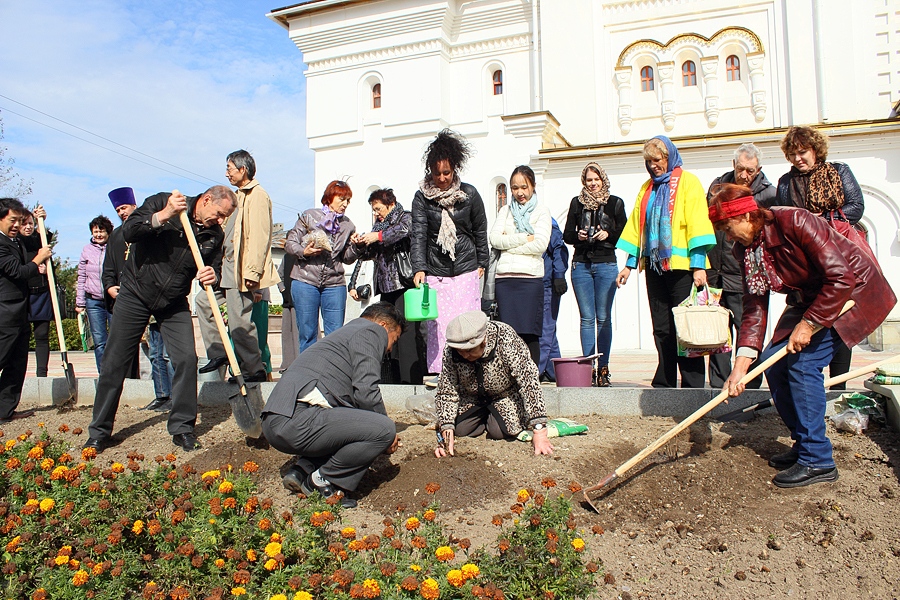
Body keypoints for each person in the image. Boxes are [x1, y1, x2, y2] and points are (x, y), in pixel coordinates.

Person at [713, 184, 896, 487]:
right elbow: (755, 307)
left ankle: (818, 460)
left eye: (728, 228)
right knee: (773, 361)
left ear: (747, 215)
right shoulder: (744, 250)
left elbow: (841, 276)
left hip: (852, 293)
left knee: (803, 365)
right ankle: (804, 445)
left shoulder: (794, 221)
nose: (727, 236)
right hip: (810, 299)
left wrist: (809, 324)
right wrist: (741, 367)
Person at [83, 186, 237, 453]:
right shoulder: (163, 202)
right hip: (136, 293)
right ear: (206, 200)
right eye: (219, 213)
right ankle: (99, 431)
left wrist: (213, 274)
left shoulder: (214, 234)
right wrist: (164, 214)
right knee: (114, 362)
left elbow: (216, 266)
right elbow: (129, 231)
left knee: (186, 360)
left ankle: (182, 428)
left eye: (225, 217)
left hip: (174, 301)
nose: (220, 220)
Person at [261, 301, 404, 508]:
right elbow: (366, 390)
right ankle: (324, 480)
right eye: (394, 339)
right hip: (297, 421)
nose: (389, 349)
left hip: (277, 419)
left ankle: (303, 469)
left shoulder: (344, 334)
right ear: (383, 326)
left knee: (352, 419)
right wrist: (387, 434)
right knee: (383, 428)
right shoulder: (372, 331)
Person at [616, 136, 715, 388]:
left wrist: (698, 264)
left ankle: (692, 384)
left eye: (657, 160)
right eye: (648, 161)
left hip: (682, 268)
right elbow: (638, 227)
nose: (652, 166)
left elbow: (697, 223)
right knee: (661, 327)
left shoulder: (688, 182)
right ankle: (665, 382)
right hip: (653, 267)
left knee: (685, 326)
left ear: (669, 157)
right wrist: (629, 264)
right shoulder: (646, 188)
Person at [772, 126, 865, 390]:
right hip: (806, 261)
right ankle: (809, 382)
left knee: (842, 319)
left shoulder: (839, 171)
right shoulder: (785, 182)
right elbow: (783, 219)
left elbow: (855, 207)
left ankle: (838, 387)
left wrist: (816, 225)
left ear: (815, 150)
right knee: (812, 313)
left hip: (841, 252)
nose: (798, 159)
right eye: (792, 154)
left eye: (802, 152)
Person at [410, 129, 489, 381]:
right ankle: (440, 371)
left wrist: (483, 262)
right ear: (429, 172)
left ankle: (470, 369)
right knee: (439, 326)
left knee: (468, 322)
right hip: (436, 270)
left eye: (447, 173)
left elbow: (480, 229)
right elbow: (419, 234)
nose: (442, 178)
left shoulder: (470, 194)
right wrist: (419, 267)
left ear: (455, 169)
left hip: (466, 266)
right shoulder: (421, 198)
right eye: (437, 174)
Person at [197, 150, 279, 383]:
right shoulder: (237, 196)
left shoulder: (258, 196)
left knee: (239, 321)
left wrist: (253, 272)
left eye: (230, 169)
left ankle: (254, 369)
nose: (226, 174)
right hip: (227, 269)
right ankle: (219, 354)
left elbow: (261, 235)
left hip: (242, 270)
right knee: (203, 301)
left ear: (243, 170)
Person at [433, 310, 553, 457]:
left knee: (499, 431)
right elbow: (446, 390)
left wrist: (539, 431)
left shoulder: (506, 337)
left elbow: (529, 381)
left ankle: (495, 418)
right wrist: (444, 434)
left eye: (470, 350)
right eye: (461, 352)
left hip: (505, 395)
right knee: (459, 430)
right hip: (472, 397)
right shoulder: (451, 349)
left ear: (483, 340)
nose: (465, 355)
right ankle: (482, 418)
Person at [705, 143, 776, 389]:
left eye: (751, 171)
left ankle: (749, 385)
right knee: (717, 333)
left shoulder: (768, 194)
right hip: (717, 271)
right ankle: (717, 386)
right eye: (741, 169)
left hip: (747, 272)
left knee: (748, 328)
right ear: (733, 165)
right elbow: (708, 228)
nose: (745, 175)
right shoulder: (717, 188)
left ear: (759, 170)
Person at [563, 162, 626, 386]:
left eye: (596, 179)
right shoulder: (576, 203)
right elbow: (567, 235)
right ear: (584, 181)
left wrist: (608, 234)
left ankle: (604, 368)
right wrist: (578, 236)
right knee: (587, 319)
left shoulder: (615, 203)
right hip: (581, 264)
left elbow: (624, 233)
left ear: (603, 179)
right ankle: (589, 368)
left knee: (604, 318)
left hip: (606, 264)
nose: (593, 183)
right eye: (589, 180)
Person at [349, 188, 420, 383]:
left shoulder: (405, 217)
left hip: (404, 284)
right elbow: (368, 254)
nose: (376, 213)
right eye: (373, 209)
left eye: (378, 208)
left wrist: (378, 236)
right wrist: (360, 244)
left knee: (406, 332)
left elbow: (404, 231)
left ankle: (409, 379)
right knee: (387, 331)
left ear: (390, 204)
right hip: (385, 286)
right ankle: (391, 378)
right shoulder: (378, 226)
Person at [284, 180, 360, 354]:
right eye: (341, 198)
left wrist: (357, 247)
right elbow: (290, 244)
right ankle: (308, 375)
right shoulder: (309, 216)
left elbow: (346, 258)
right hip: (305, 281)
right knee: (307, 333)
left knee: (335, 335)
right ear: (329, 197)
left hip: (334, 284)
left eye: (348, 200)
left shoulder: (348, 225)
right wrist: (305, 251)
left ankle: (331, 375)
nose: (345, 204)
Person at [489, 165, 551, 365]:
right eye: (515, 188)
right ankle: (509, 379)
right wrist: (525, 238)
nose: (520, 192)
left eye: (524, 187)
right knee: (507, 335)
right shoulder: (505, 210)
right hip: (505, 279)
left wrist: (510, 243)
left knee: (530, 333)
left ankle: (531, 378)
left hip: (530, 280)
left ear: (532, 185)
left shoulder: (542, 211)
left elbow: (540, 244)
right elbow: (495, 239)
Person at [0, 199, 51, 422]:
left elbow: (34, 240)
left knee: (17, 363)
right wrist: (38, 259)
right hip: (4, 312)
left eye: (19, 221)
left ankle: (4, 411)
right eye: (12, 220)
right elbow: (17, 271)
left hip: (21, 312)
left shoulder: (15, 241)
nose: (16, 225)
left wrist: (41, 222)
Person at [102, 187, 142, 383]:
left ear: (134, 206)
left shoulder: (146, 230)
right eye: (118, 210)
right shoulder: (116, 237)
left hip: (145, 295)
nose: (121, 213)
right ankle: (128, 383)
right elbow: (108, 267)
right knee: (124, 344)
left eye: (124, 208)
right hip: (123, 297)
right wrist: (109, 286)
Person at [76, 215, 114, 372]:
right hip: (93, 301)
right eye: (95, 232)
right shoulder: (87, 250)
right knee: (99, 340)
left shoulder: (114, 247)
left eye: (101, 231)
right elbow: (81, 276)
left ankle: (116, 373)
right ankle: (103, 374)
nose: (98, 235)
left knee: (116, 339)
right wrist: (80, 302)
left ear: (108, 232)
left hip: (112, 299)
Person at [19, 212, 52, 377]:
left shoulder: (40, 242)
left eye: (31, 224)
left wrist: (47, 269)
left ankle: (42, 374)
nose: (28, 227)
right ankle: (18, 372)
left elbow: (44, 243)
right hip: (23, 296)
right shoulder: (15, 244)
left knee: (41, 335)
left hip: (42, 294)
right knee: (20, 337)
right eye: (24, 224)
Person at [538, 217, 568, 383]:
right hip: (537, 281)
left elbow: (559, 251)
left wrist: (559, 276)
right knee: (548, 329)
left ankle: (536, 370)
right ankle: (554, 370)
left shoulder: (548, 224)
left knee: (545, 328)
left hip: (548, 282)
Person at [276, 251, 300, 372]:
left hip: (303, 300)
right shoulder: (287, 257)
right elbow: (278, 275)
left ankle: (301, 363)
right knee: (287, 332)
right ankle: (288, 364)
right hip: (288, 299)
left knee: (301, 333)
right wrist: (282, 290)